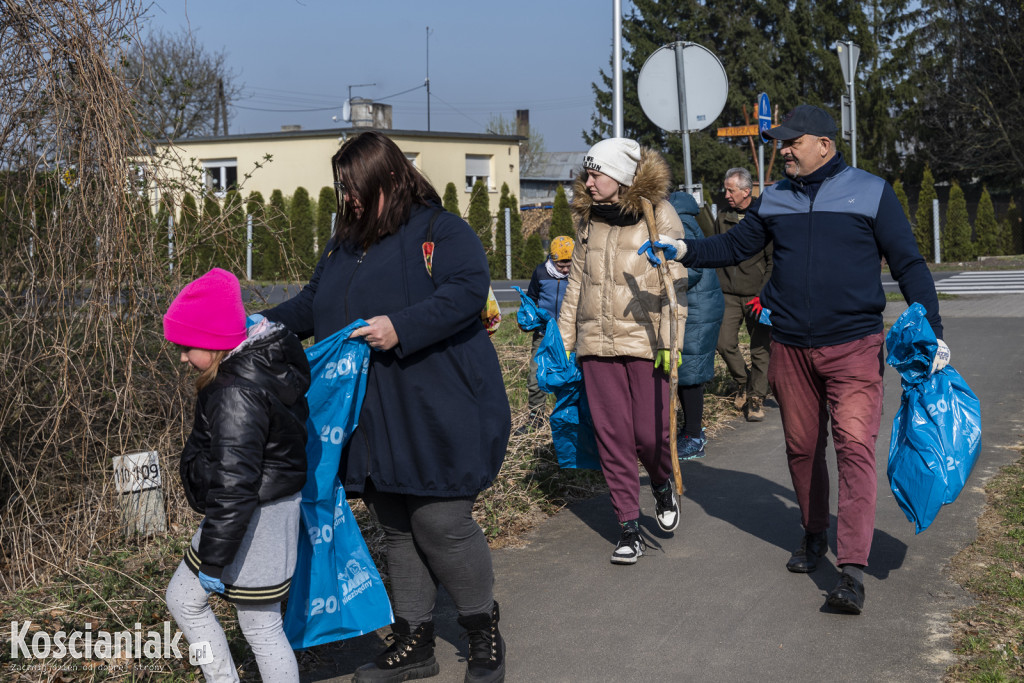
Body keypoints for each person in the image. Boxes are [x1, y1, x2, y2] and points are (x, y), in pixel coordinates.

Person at [640, 105, 949, 614]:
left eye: (792, 142)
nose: (783, 150)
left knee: (854, 449)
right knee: (803, 448)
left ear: (824, 145)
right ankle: (813, 531)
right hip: (789, 346)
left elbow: (909, 263)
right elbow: (735, 246)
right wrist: (682, 249)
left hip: (854, 346)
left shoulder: (871, 191)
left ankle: (851, 569)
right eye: (781, 143)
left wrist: (932, 331)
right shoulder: (775, 197)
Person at [260, 131, 510, 683]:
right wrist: (255, 325)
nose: (347, 197)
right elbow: (311, 305)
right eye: (342, 187)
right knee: (396, 522)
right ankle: (415, 642)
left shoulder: (441, 230)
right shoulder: (343, 243)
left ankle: (482, 628)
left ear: (390, 179)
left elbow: (467, 289)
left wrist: (402, 326)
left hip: (442, 406)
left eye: (356, 186)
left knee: (441, 520)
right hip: (372, 415)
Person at [163, 267, 310, 683]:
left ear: (213, 340)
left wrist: (214, 559)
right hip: (264, 513)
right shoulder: (266, 358)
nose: (182, 357)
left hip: (251, 520)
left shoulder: (235, 393)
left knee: (258, 627)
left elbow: (235, 483)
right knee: (203, 605)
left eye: (187, 346)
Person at [558, 137, 687, 565]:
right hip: (596, 343)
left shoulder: (658, 214)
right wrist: (563, 343)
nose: (588, 182)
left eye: (596, 174)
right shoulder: (587, 220)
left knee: (650, 436)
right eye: (588, 174)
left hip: (646, 340)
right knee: (612, 437)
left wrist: (671, 341)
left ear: (620, 176)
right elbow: (576, 284)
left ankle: (662, 483)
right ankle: (628, 526)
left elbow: (676, 283)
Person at [713, 167, 773, 422]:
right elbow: (716, 249)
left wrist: (764, 293)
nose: (726, 194)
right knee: (723, 342)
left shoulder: (765, 216)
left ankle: (757, 397)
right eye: (725, 189)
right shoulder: (723, 216)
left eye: (731, 190)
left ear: (746, 191)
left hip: (757, 295)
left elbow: (772, 261)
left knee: (761, 347)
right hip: (727, 292)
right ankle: (744, 382)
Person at [668, 191, 724, 460]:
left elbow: (692, 268)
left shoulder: (679, 223)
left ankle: (693, 436)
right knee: (684, 371)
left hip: (696, 308)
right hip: (693, 305)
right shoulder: (682, 218)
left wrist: (659, 277)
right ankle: (688, 431)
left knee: (690, 373)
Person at [519, 235, 574, 433]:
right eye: (561, 265)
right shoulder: (541, 272)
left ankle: (566, 421)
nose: (565, 270)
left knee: (567, 379)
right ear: (552, 258)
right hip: (543, 334)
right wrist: (527, 315)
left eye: (569, 265)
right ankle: (536, 419)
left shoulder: (578, 274)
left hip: (569, 337)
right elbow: (532, 298)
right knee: (536, 377)